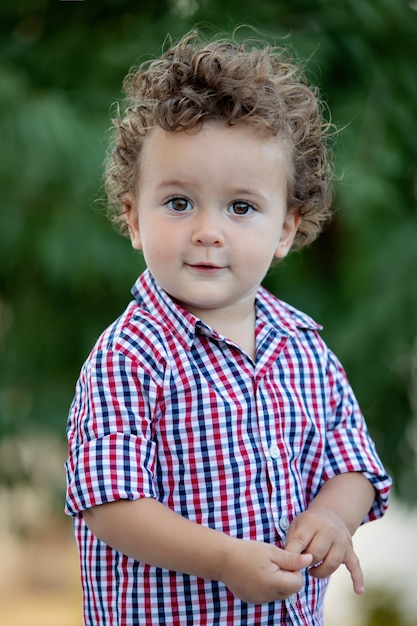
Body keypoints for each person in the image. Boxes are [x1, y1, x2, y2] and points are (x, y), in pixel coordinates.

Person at [65, 30, 392, 626]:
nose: (208, 231)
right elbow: (109, 504)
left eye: (241, 207)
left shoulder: (304, 348)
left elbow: (353, 463)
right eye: (179, 203)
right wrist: (223, 560)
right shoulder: (130, 357)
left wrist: (333, 518)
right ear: (133, 218)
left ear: (286, 230)